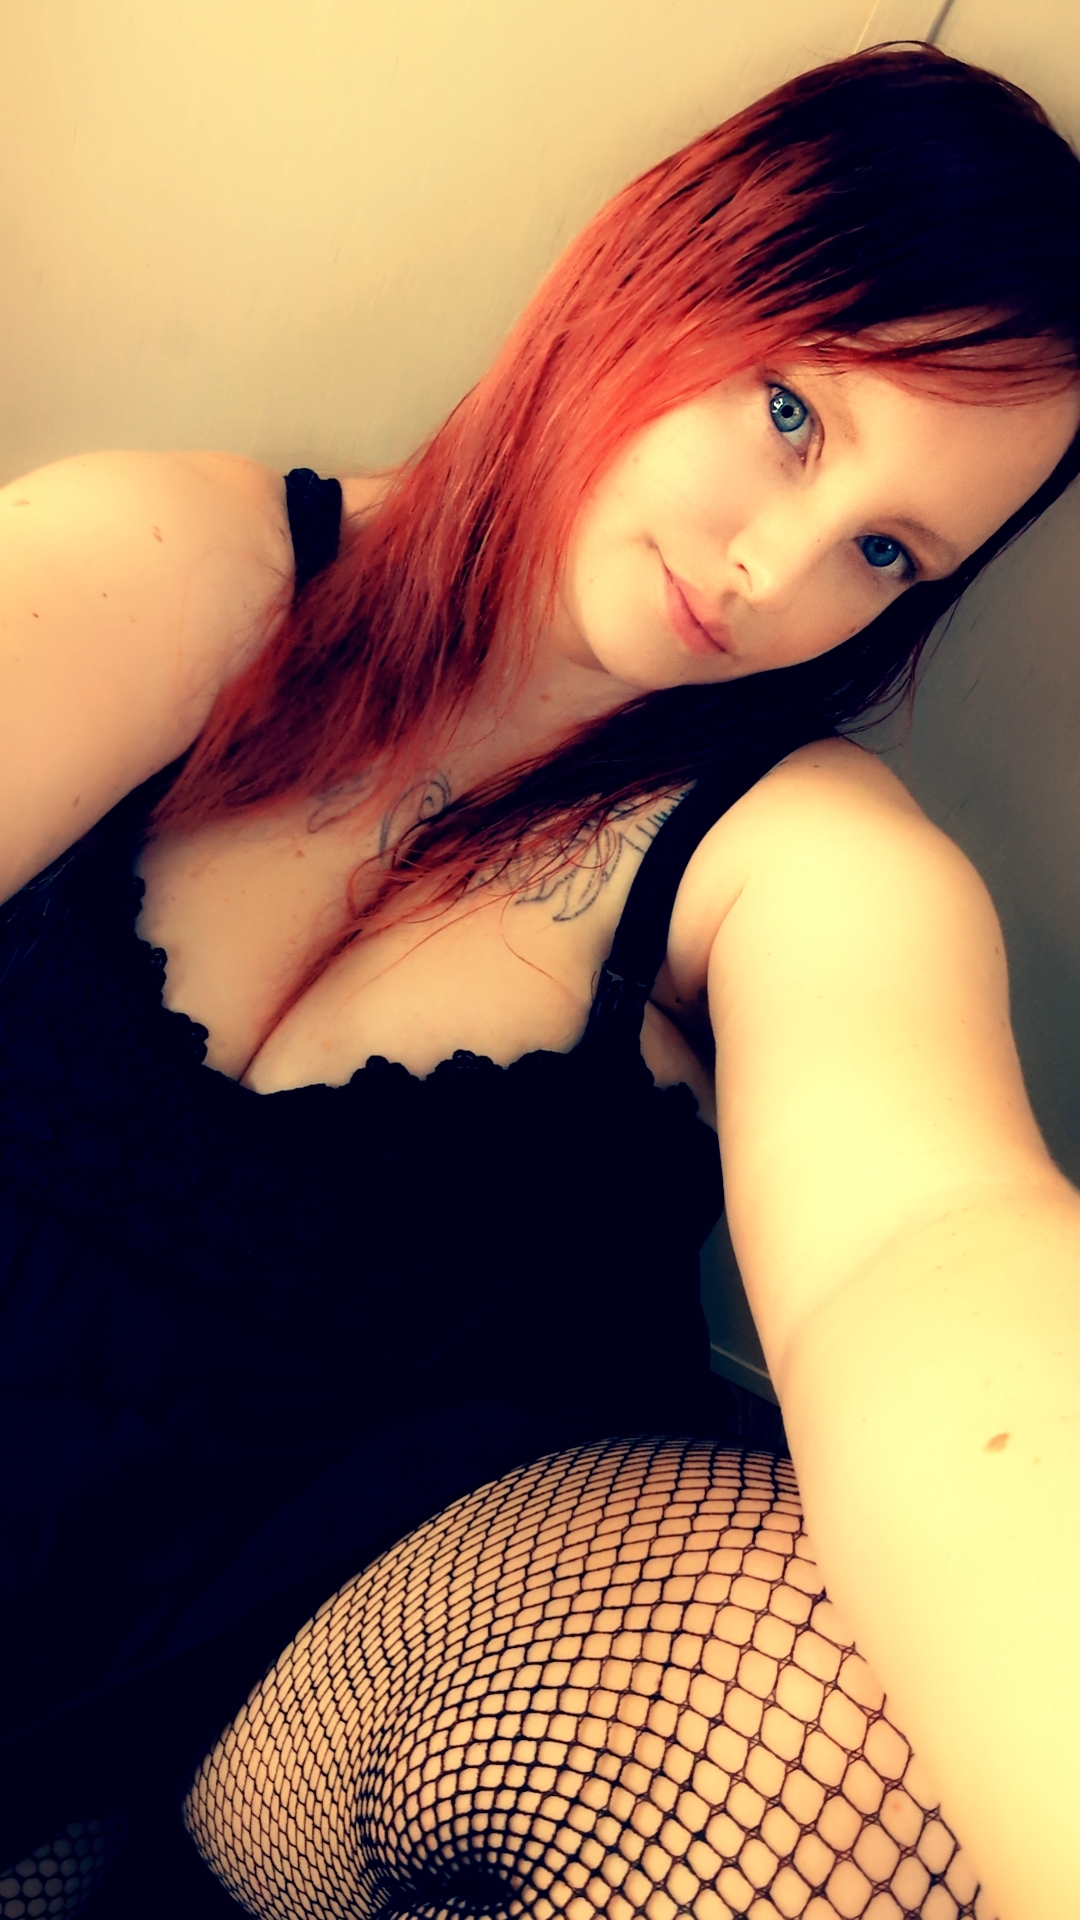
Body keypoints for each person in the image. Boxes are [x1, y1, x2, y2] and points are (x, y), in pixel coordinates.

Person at [1, 40, 1079, 1920]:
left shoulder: (797, 863)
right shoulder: (166, 561)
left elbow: (928, 1255)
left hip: (270, 1731)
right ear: (667, 256)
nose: (776, 570)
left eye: (886, 551)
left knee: (816, 1737)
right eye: (795, 414)